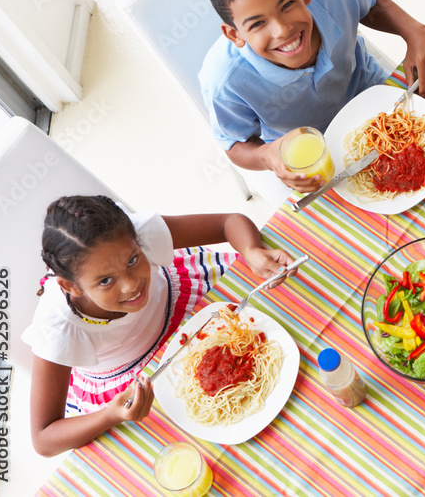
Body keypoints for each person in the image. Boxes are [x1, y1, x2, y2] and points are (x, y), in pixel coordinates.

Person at [22, 195, 296, 456]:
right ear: (70, 286)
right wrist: (111, 415)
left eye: (133, 260)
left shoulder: (134, 233)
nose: (131, 285)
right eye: (106, 281)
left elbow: (229, 222)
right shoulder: (57, 325)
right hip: (133, 371)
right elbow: (44, 439)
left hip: (187, 301)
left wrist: (251, 250)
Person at [199, 0, 425, 193]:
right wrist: (267, 155)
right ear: (233, 35)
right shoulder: (224, 81)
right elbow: (234, 143)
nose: (283, 30)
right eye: (257, 24)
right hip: (311, 157)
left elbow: (371, 2)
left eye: (287, 5)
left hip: (375, 94)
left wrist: (414, 32)